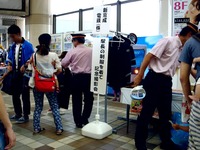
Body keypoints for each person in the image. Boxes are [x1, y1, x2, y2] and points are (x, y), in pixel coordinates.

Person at [133, 24, 198, 150]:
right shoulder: (168, 41)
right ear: (189, 35)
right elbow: (149, 56)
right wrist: (140, 74)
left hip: (166, 82)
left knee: (165, 114)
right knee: (147, 112)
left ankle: (166, 141)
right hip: (154, 79)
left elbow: (186, 68)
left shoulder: (183, 49)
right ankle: (140, 143)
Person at [29, 33, 63, 135]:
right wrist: (52, 74)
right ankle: (59, 128)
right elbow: (60, 70)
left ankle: (36, 128)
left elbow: (30, 69)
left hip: (37, 84)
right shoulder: (53, 55)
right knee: (54, 106)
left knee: (38, 107)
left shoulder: (34, 56)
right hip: (50, 84)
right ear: (49, 42)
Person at [62, 34, 94, 128]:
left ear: (75, 41)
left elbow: (63, 64)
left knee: (76, 99)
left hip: (76, 78)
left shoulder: (72, 51)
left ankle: (78, 122)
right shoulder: (91, 51)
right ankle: (85, 118)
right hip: (89, 77)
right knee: (89, 99)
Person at [6, 24, 34, 124]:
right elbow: (9, 58)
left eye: (13, 36)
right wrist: (9, 64)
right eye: (10, 37)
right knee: (15, 94)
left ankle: (25, 115)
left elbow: (31, 59)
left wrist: (25, 65)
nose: (12, 39)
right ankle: (18, 113)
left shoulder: (28, 45)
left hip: (25, 75)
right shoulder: (13, 46)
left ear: (18, 34)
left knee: (25, 95)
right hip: (15, 74)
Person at [179, 31, 200, 149]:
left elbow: (183, 77)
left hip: (198, 103)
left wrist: (189, 101)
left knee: (194, 144)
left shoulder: (191, 42)